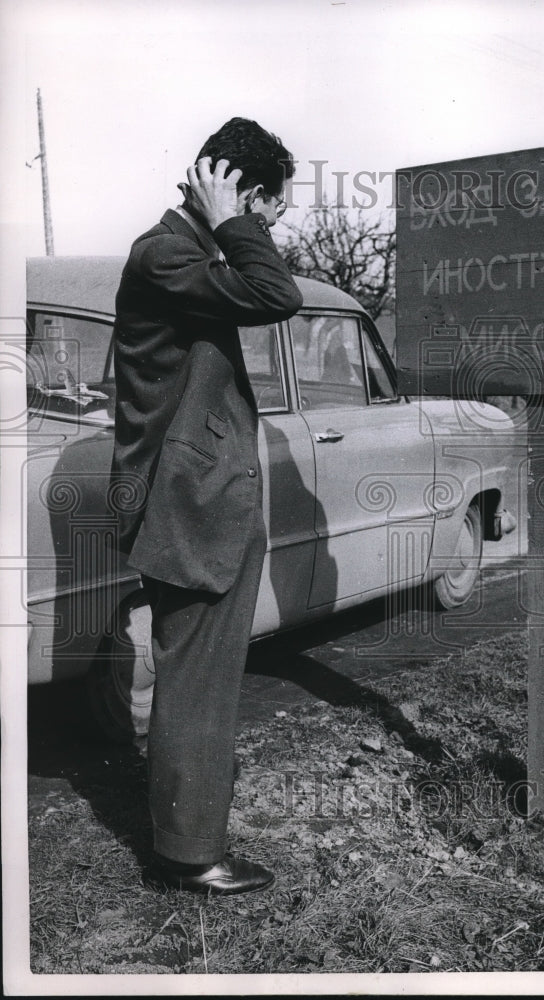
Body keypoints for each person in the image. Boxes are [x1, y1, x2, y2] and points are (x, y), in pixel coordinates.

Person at [110, 118, 303, 895]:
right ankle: (189, 856)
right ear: (244, 192)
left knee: (204, 676)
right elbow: (276, 293)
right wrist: (230, 219)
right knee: (198, 680)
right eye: (272, 209)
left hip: (196, 501)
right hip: (189, 507)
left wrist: (229, 224)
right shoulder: (167, 254)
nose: (273, 225)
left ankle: (188, 828)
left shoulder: (184, 256)